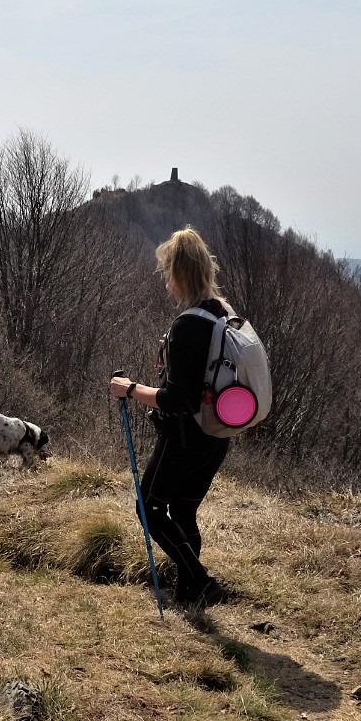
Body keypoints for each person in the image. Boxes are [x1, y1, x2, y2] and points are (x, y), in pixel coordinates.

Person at [110, 227, 234, 609]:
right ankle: (188, 594)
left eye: (167, 273)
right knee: (182, 511)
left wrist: (131, 390)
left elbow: (177, 399)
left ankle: (199, 579)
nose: (165, 281)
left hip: (183, 438)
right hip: (217, 435)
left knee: (148, 507)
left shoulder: (186, 326)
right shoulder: (224, 314)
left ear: (179, 273)